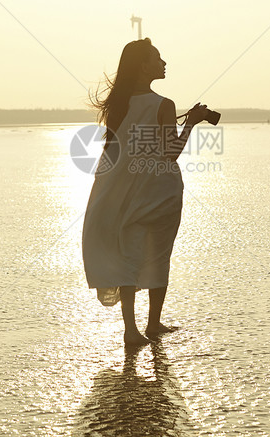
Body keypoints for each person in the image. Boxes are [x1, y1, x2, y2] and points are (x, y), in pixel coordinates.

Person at [82, 38, 209, 346]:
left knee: (129, 255)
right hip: (160, 192)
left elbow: (114, 153)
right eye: (157, 58)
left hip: (125, 193)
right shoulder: (163, 105)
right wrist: (191, 123)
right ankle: (153, 324)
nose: (163, 63)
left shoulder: (117, 105)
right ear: (142, 66)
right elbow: (170, 153)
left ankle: (132, 330)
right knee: (159, 255)